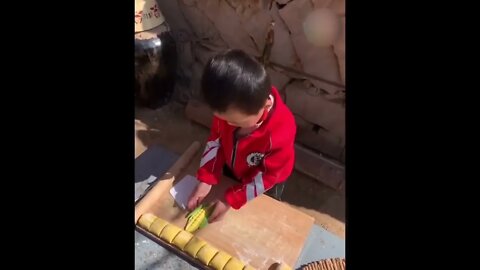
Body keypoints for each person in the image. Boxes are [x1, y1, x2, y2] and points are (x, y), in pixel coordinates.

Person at [187, 49, 296, 222]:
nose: (228, 125)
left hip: (265, 180)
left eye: (237, 122)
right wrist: (207, 178)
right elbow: (216, 140)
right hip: (234, 165)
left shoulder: (281, 131)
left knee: (256, 218)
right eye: (223, 119)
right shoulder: (230, 108)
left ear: (266, 105)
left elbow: (268, 176)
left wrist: (232, 199)